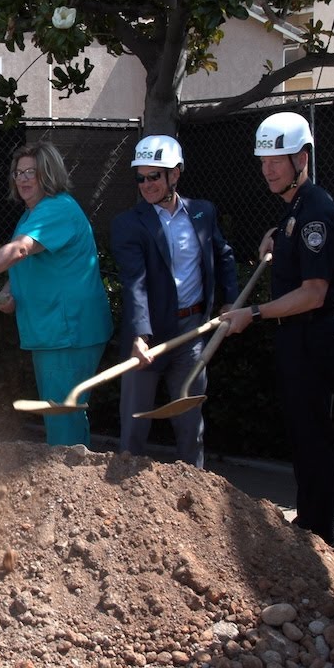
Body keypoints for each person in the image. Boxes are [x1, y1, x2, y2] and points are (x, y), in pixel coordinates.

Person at [222, 111, 334, 548]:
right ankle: (311, 525)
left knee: (314, 436)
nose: (268, 168)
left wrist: (253, 314)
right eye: (263, 160)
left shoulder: (315, 213)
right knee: (301, 432)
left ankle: (320, 535)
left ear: (303, 157)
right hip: (297, 338)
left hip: (312, 335)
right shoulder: (296, 211)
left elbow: (313, 293)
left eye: (278, 159)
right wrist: (278, 234)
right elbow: (295, 240)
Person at [0, 141, 112, 446]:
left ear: (49, 174)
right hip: (53, 332)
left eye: (32, 172)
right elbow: (29, 263)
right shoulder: (32, 214)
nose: (23, 178)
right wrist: (8, 290)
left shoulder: (57, 209)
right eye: (18, 172)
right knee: (65, 415)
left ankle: (68, 487)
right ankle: (73, 479)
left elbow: (20, 249)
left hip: (68, 332)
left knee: (62, 419)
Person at [109, 135, 238, 468]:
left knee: (190, 426)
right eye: (141, 177)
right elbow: (134, 281)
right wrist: (140, 334)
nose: (147, 184)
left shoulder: (202, 213)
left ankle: (195, 500)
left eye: (155, 176)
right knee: (134, 429)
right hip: (148, 339)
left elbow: (223, 255)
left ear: (175, 174)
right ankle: (124, 498)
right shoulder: (128, 225)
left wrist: (231, 301)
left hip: (192, 333)